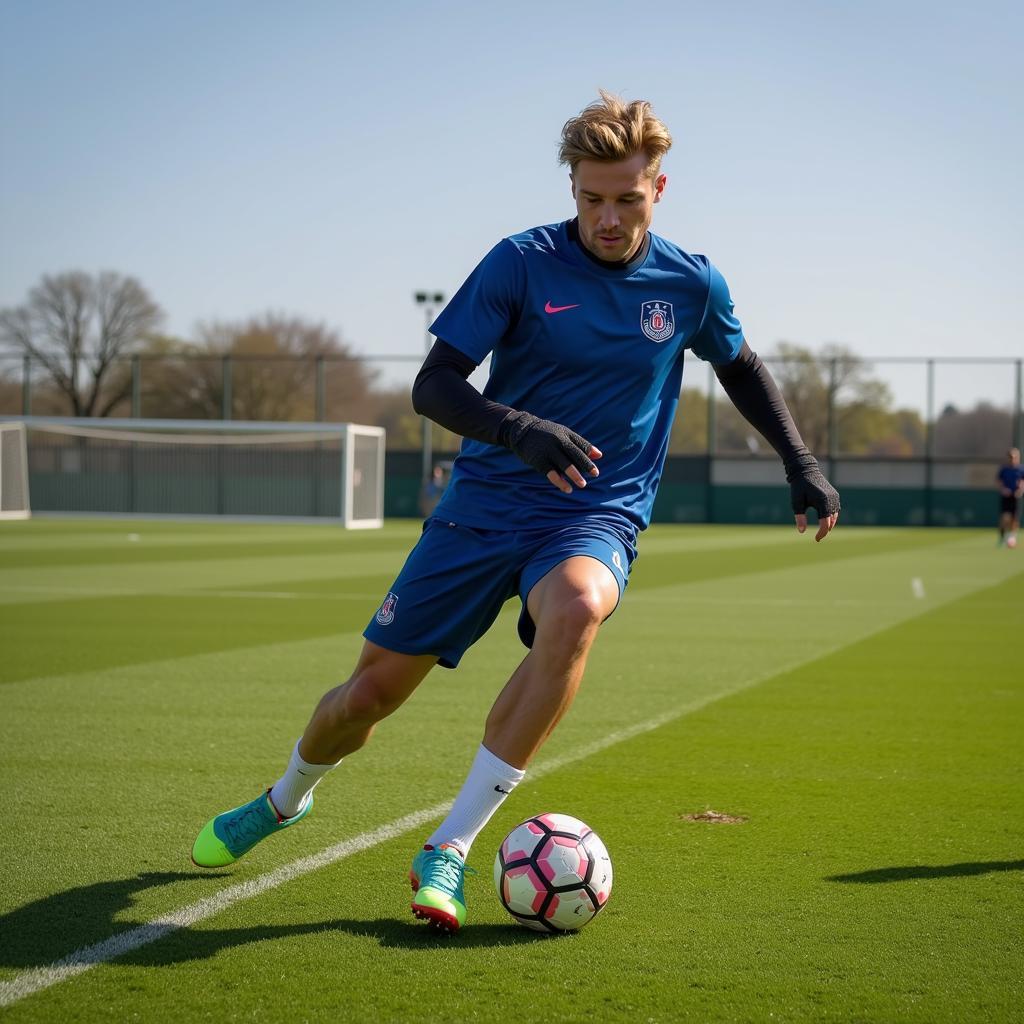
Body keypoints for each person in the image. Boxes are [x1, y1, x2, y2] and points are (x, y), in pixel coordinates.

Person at [190, 92, 841, 932]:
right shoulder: (519, 262)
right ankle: (285, 798)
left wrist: (803, 464)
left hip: (594, 512)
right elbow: (435, 385)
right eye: (591, 198)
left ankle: (450, 848)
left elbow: (742, 365)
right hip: (485, 507)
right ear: (572, 187)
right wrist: (517, 428)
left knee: (577, 608)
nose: (608, 218)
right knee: (364, 701)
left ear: (659, 188)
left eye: (627, 199)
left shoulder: (690, 281)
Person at [996, 447, 1023, 548]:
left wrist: (1021, 489)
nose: (1013, 459)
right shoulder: (1004, 469)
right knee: (1004, 518)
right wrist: (1003, 489)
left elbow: (1022, 481)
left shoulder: (1021, 469)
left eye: (1015, 457)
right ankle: (1002, 538)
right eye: (1011, 457)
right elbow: (999, 481)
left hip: (1016, 497)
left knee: (1014, 519)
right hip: (1006, 496)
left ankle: (1012, 538)